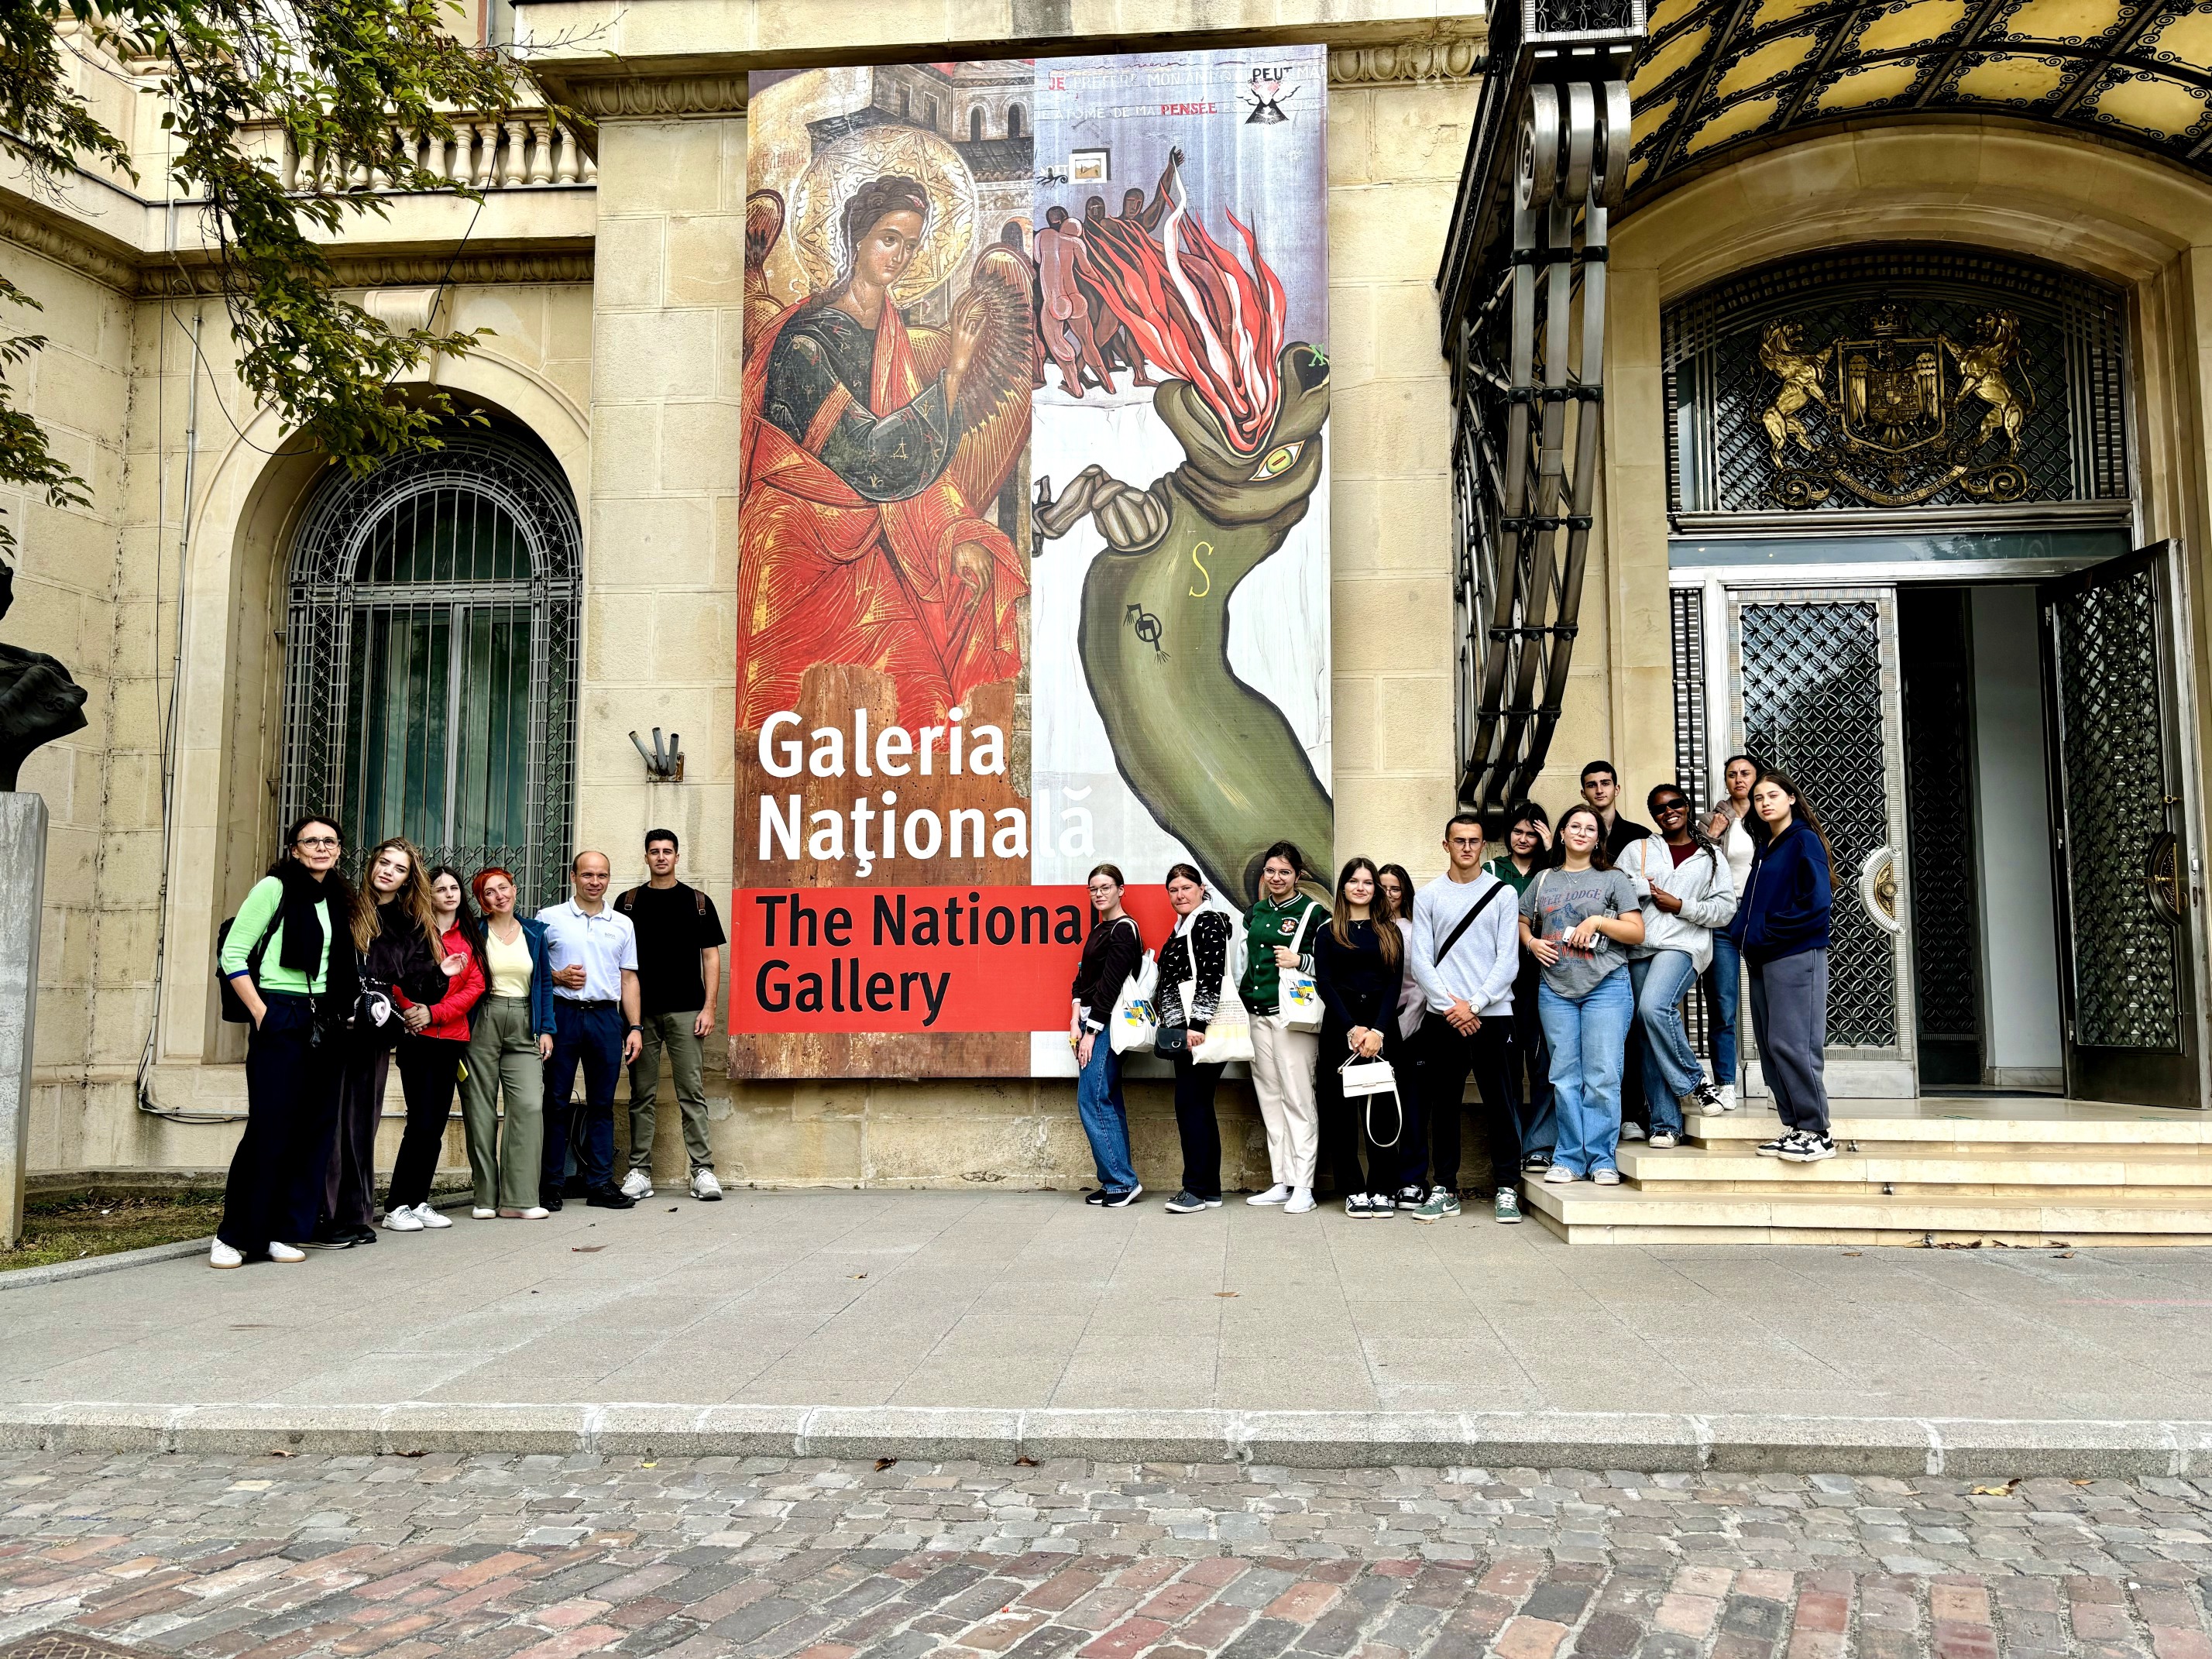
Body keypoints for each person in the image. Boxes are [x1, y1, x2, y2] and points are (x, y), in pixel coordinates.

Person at [211, 815, 357, 1269]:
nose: (321, 848)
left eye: (329, 841)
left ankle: (285, 1230)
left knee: (315, 1129)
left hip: (326, 1020)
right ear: (294, 849)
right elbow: (233, 954)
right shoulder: (273, 888)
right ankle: (234, 1236)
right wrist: (261, 1012)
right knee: (271, 1127)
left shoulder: (339, 896)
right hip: (281, 1011)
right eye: (311, 841)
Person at [317, 838, 450, 1249]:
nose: (388, 871)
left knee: (362, 1124)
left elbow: (417, 983)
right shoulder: (343, 906)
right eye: (384, 862)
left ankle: (355, 1213)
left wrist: (441, 972)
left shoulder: (410, 924)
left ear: (410, 879)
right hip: (332, 1024)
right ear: (372, 865)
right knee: (329, 1122)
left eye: (400, 868)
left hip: (373, 1030)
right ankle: (323, 1214)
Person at [1406, 814, 1524, 1223]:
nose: (1468, 848)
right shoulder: (1429, 896)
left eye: (1475, 841)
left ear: (1484, 847)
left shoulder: (1503, 894)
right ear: (1446, 845)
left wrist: (1473, 1006)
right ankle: (1445, 1187)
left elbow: (1508, 960)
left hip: (1492, 1016)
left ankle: (1508, 1187)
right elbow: (1421, 960)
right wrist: (1450, 1006)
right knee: (1445, 1105)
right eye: (1460, 840)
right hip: (1444, 1018)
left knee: (1501, 1104)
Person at [1520, 805, 1645, 1185]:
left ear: (1597, 838)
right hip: (1556, 988)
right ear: (1561, 833)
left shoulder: (1613, 879)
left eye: (1589, 828)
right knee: (1563, 1076)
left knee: (1603, 1074)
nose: (1581, 832)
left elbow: (1636, 932)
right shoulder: (1544, 879)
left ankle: (1602, 1159)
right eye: (1574, 825)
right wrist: (1531, 943)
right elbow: (1523, 919)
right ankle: (1569, 1158)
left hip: (1605, 985)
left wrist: (1597, 921)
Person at [1617, 787, 1737, 1150]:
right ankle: (1665, 1124)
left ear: (1687, 807)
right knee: (1644, 1030)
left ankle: (1695, 1082)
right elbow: (1615, 893)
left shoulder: (1710, 857)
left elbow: (1725, 910)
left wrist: (1681, 905)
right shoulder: (1637, 849)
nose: (1667, 812)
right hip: (1639, 947)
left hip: (1683, 946)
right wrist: (1640, 888)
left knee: (1654, 1007)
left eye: (1674, 805)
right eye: (1658, 809)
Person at [1729, 769, 1836, 1163]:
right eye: (1758, 798)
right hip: (1763, 957)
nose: (1765, 803)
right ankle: (1795, 1128)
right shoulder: (1767, 846)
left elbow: (1816, 903)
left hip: (1795, 954)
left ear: (1791, 798)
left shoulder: (1802, 840)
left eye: (1772, 795)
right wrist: (1743, 935)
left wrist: (1766, 933)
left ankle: (1817, 1131)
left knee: (1794, 1043)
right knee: (1773, 1045)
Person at [615, 830, 728, 1204]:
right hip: (639, 1014)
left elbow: (711, 956)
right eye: (654, 852)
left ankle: (703, 1171)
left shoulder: (697, 902)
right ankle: (640, 1172)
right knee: (641, 1094)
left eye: (667, 851)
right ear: (645, 857)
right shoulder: (628, 903)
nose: (661, 857)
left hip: (687, 1010)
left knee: (691, 1093)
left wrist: (709, 1007)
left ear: (677, 856)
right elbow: (616, 960)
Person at [537, 852, 644, 1211]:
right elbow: (533, 974)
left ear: (609, 879)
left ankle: (600, 1184)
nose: (594, 881)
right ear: (573, 877)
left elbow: (629, 979)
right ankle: (550, 1184)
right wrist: (557, 977)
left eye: (601, 875)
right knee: (554, 1102)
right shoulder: (549, 919)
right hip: (562, 1016)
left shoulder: (622, 924)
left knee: (602, 1103)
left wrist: (635, 1027)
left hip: (604, 1018)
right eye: (587, 874)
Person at [382, 866, 486, 1231]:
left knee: (436, 1123)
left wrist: (436, 1012)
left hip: (451, 1039)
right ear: (428, 895)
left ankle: (419, 1200)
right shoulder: (414, 934)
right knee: (420, 1121)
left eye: (454, 887)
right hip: (416, 1038)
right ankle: (397, 1206)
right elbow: (397, 980)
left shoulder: (468, 936)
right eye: (440, 889)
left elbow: (475, 986)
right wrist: (414, 1011)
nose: (449, 894)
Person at [1314, 858, 1410, 1218]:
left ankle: (1383, 1188)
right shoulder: (1327, 932)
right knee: (1340, 1116)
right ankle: (1353, 1189)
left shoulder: (1390, 931)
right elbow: (1325, 983)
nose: (1361, 887)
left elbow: (1394, 984)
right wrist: (1351, 1029)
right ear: (1343, 888)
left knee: (1383, 1112)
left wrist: (1378, 1031)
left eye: (1368, 882)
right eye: (1353, 881)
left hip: (1382, 1032)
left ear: (1376, 889)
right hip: (1342, 1031)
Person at [1238, 841, 1328, 1215]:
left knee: (1298, 1098)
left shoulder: (1314, 912)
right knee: (1270, 1098)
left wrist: (1300, 960)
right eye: (1271, 871)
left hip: (1293, 1018)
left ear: (1298, 875)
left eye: (1285, 872)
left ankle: (1304, 1186)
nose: (1277, 878)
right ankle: (1282, 1180)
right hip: (1257, 1014)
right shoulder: (1255, 912)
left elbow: (1332, 964)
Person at [462, 867, 556, 1218]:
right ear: (481, 900)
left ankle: (519, 1199)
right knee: (480, 1109)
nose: (499, 895)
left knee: (530, 1105)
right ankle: (485, 1198)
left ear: (515, 890)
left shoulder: (534, 932)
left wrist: (546, 1028)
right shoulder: (472, 932)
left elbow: (544, 983)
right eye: (490, 892)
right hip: (482, 1020)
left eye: (504, 888)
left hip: (524, 1021)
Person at [1155, 864, 1235, 1214]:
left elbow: (1211, 976)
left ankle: (1195, 1190)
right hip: (1184, 1033)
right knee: (1198, 1107)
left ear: (1202, 889)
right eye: (1173, 890)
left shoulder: (1207, 921)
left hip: (1198, 1034)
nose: (1180, 895)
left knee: (1191, 1107)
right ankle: (1210, 1189)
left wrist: (1197, 1025)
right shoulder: (1182, 927)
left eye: (1186, 887)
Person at [1582, 760, 1654, 1140]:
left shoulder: (1640, 835)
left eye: (1605, 783)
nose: (1599, 790)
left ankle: (1635, 1113)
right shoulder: (1577, 835)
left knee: (1635, 1030)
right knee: (1598, 1040)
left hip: (1632, 945)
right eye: (1591, 784)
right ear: (1584, 792)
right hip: (1587, 954)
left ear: (1616, 788)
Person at [1484, 803, 1554, 1172]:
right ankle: (1512, 1145)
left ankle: (1539, 1145)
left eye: (1532, 833)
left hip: (1546, 978)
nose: (1524, 839)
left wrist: (1553, 848)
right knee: (1507, 1070)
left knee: (1544, 1065)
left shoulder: (1553, 871)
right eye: (1518, 832)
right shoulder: (1493, 871)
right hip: (1501, 982)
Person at [1070, 863, 1144, 1206]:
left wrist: (1091, 1032)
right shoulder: (1100, 929)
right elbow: (1082, 980)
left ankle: (1122, 1182)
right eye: (1093, 889)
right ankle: (1114, 1178)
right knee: (1108, 1100)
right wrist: (1075, 1021)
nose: (1099, 894)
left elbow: (1111, 986)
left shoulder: (1124, 930)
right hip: (1089, 1022)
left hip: (1106, 1023)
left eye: (1105, 887)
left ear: (1120, 890)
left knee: (1093, 1099)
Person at [1701, 753, 1759, 1111]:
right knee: (1723, 1003)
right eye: (1732, 774)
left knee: (1771, 1005)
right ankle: (1725, 1082)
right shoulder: (1713, 819)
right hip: (1724, 916)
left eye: (1746, 773)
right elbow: (1698, 867)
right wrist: (1713, 835)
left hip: (1761, 917)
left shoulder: (1774, 816)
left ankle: (1777, 1079)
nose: (1739, 779)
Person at [1376, 864, 1427, 1053]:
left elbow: (1422, 982)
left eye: (1395, 889)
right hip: (1368, 1022)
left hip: (1402, 1019)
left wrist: (1406, 1023)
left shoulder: (1415, 930)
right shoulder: (1365, 927)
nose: (1388, 894)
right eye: (1382, 888)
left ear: (1404, 892)